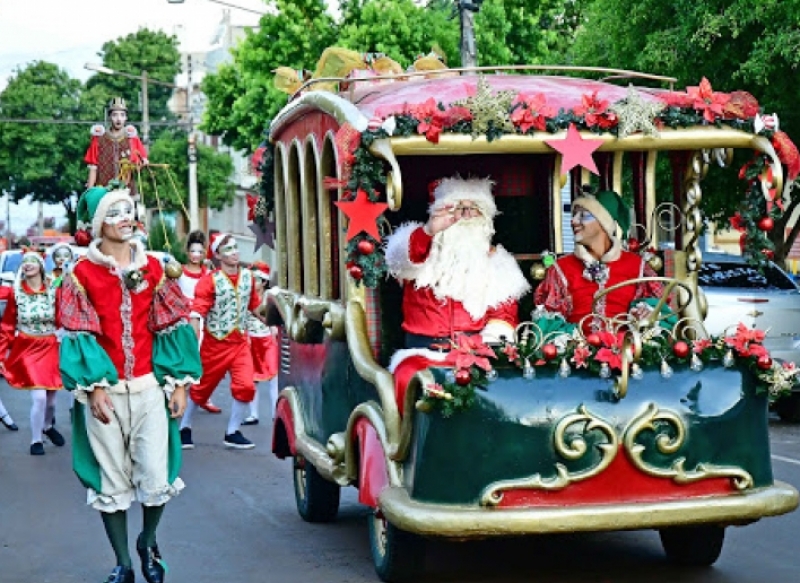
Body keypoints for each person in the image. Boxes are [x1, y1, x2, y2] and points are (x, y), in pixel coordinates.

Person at [59, 186, 201, 583]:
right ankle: (122, 562)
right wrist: (95, 387)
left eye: (129, 211)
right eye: (114, 212)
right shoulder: (79, 274)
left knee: (157, 477)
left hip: (148, 388)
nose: (125, 217)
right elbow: (78, 332)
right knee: (110, 479)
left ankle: (147, 540)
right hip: (103, 394)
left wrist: (178, 385)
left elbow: (171, 325)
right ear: (97, 224)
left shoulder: (155, 268)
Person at [385, 175, 530, 352]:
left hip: (475, 352)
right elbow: (397, 262)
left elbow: (503, 316)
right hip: (422, 352)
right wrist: (428, 231)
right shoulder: (421, 250)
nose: (467, 214)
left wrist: (482, 348)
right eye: (459, 207)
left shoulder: (497, 261)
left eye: (475, 208)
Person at [534, 188, 664, 329]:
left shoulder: (637, 265)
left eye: (583, 215)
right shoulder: (561, 268)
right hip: (578, 348)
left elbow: (660, 310)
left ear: (603, 222)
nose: (573, 221)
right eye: (573, 215)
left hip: (629, 347)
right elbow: (548, 322)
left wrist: (645, 313)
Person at [179, 233, 261, 450]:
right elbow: (198, 310)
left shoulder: (248, 277)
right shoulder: (209, 281)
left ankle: (232, 432)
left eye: (235, 248)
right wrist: (192, 337)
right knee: (202, 388)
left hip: (240, 342)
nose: (234, 252)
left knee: (245, 385)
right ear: (217, 256)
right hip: (215, 343)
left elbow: (256, 306)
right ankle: (184, 427)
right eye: (228, 250)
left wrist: (277, 320)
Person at [0, 251, 63, 454]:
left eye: (32, 262)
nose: (27, 265)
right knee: (39, 398)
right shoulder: (15, 293)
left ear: (41, 266)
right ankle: (36, 440)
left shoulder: (54, 291)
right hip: (28, 347)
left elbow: (63, 319)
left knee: (52, 401)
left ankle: (47, 426)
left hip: (50, 345)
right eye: (24, 262)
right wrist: (1, 355)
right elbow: (7, 326)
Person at [177, 230, 221, 414]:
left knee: (204, 359)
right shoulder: (178, 272)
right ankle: (179, 393)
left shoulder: (209, 274)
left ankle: (203, 396)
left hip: (203, 321)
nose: (196, 255)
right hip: (183, 321)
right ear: (187, 252)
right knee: (183, 358)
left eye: (200, 251)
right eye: (192, 251)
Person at [84, 97, 148, 192]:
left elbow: (140, 163)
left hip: (127, 192)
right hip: (103, 191)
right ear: (109, 116)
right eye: (115, 115)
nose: (119, 119)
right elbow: (93, 168)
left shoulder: (132, 138)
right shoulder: (99, 139)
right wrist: (89, 192)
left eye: (122, 115)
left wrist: (141, 164)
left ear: (126, 117)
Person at [243, 262, 279, 425]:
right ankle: (253, 414)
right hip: (251, 339)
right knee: (252, 378)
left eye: (256, 280)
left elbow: (273, 319)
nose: (253, 283)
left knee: (273, 377)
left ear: (264, 282)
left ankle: (275, 412)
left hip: (267, 340)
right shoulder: (246, 296)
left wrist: (273, 330)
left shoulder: (269, 297)